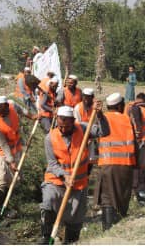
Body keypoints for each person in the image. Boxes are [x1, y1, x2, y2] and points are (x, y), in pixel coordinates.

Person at [39, 104, 107, 244]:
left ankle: (70, 241)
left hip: (79, 183)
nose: (63, 130)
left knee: (75, 218)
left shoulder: (83, 128)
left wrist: (100, 116)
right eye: (60, 126)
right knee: (48, 201)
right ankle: (46, 237)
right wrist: (64, 175)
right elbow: (52, 164)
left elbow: (104, 132)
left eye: (67, 127)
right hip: (56, 180)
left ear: (73, 122)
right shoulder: (50, 137)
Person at [0, 95, 37, 218]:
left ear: (7, 106)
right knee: (0, 177)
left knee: (12, 179)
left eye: (3, 109)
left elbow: (22, 111)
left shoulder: (12, 105)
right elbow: (3, 144)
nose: (2, 112)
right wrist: (11, 161)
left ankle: (6, 205)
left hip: (15, 148)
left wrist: (32, 116)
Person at [96, 92, 137, 231]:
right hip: (126, 165)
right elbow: (134, 143)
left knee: (107, 197)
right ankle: (119, 227)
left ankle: (107, 231)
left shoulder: (102, 118)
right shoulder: (127, 120)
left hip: (108, 164)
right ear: (120, 106)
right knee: (122, 196)